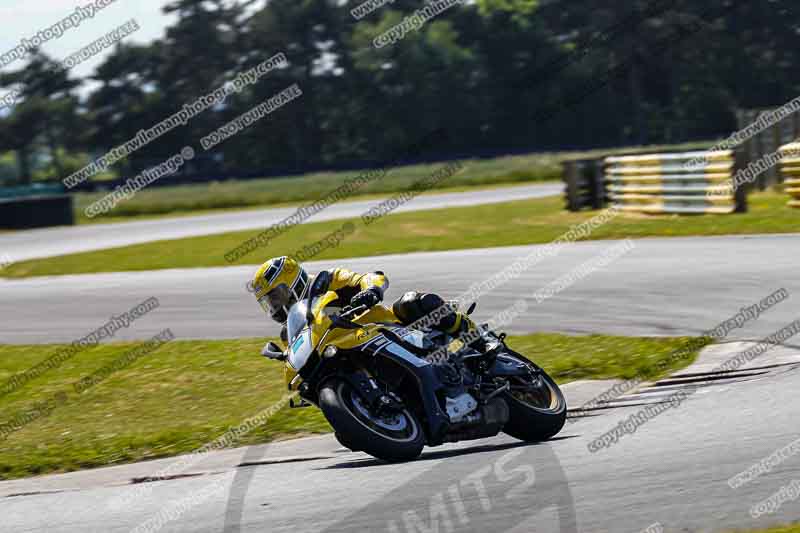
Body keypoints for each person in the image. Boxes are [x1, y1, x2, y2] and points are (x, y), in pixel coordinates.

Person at [249, 256, 476, 347]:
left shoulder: (328, 280)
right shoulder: (292, 333)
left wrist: (371, 291)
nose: (275, 305)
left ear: (292, 283)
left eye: (276, 296)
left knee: (412, 302)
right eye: (269, 302)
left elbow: (372, 277)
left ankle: (481, 343)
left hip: (393, 329)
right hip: (355, 353)